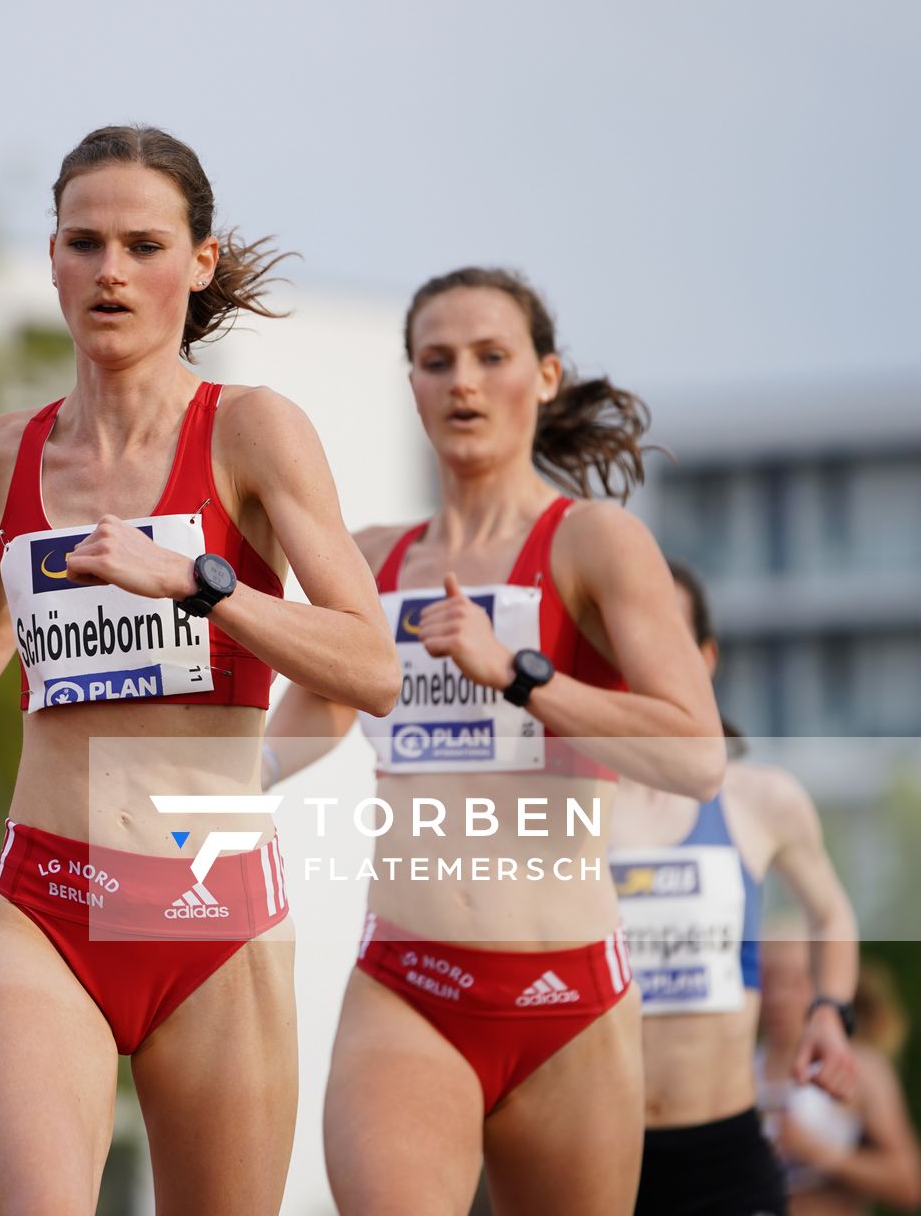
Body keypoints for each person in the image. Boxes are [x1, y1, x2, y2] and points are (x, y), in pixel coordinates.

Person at [0, 124, 398, 1215]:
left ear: (200, 261)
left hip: (212, 915)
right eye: (84, 242)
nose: (110, 271)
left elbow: (370, 665)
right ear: (53, 256)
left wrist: (201, 582)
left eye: (143, 244)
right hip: (48, 906)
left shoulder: (253, 434)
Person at [265, 266, 725, 1215]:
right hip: (410, 987)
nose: (463, 382)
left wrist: (521, 675)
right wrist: (190, 797)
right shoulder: (371, 558)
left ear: (546, 375)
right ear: (413, 386)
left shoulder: (593, 542)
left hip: (572, 998)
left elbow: (695, 752)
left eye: (491, 357)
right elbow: (303, 727)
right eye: (437, 361)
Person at [611, 561, 861, 1216]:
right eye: (616, 634)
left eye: (659, 635)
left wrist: (830, 1011)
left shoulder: (761, 800)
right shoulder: (568, 806)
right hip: (594, 1149)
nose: (637, 655)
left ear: (705, 656)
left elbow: (829, 912)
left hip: (722, 1152)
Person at [760, 948, 921, 1214]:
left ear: (823, 983)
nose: (778, 995)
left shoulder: (861, 1067)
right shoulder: (734, 1069)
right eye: (768, 979)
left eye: (795, 980)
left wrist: (818, 1153)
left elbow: (910, 1185)